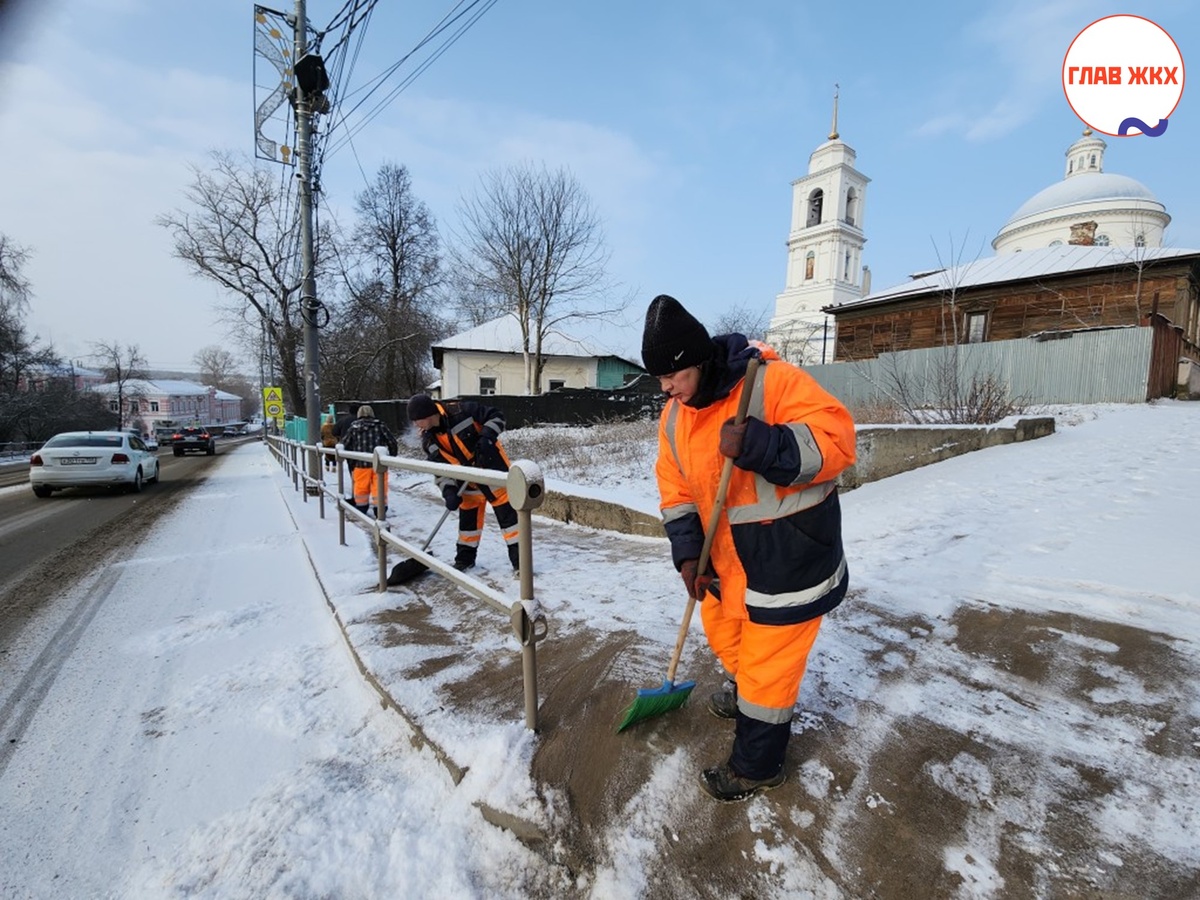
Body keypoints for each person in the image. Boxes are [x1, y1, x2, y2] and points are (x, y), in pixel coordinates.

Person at [640, 293, 857, 802]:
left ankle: (756, 766)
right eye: (660, 381)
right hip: (726, 564)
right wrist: (689, 555)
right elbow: (675, 494)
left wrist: (766, 445)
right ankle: (746, 694)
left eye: (674, 376)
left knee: (767, 669)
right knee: (726, 638)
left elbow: (839, 440)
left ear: (697, 360)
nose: (667, 388)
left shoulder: (771, 383)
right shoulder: (673, 417)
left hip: (788, 558)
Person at [407, 393, 521, 574]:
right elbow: (440, 471)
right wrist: (449, 491)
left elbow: (497, 416)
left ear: (428, 415)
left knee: (510, 523)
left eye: (417, 420)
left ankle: (521, 564)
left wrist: (487, 437)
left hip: (493, 473)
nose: (415, 425)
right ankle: (464, 561)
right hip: (466, 484)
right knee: (468, 526)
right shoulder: (429, 441)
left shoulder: (463, 411)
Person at [340, 405, 399, 517]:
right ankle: (380, 510)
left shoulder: (353, 428)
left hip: (360, 464)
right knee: (379, 488)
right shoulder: (380, 425)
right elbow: (392, 442)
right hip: (379, 465)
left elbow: (345, 444)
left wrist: (351, 460)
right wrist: (391, 457)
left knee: (361, 488)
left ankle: (362, 507)